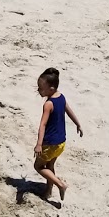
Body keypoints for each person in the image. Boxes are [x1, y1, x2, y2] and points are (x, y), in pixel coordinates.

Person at [33, 67, 84, 206]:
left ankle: (60, 185)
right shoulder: (61, 96)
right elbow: (69, 110)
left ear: (51, 88)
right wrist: (78, 124)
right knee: (50, 165)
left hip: (49, 143)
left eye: (41, 88)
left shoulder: (48, 104)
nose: (38, 90)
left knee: (38, 166)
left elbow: (42, 125)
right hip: (61, 142)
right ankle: (48, 190)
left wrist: (39, 144)